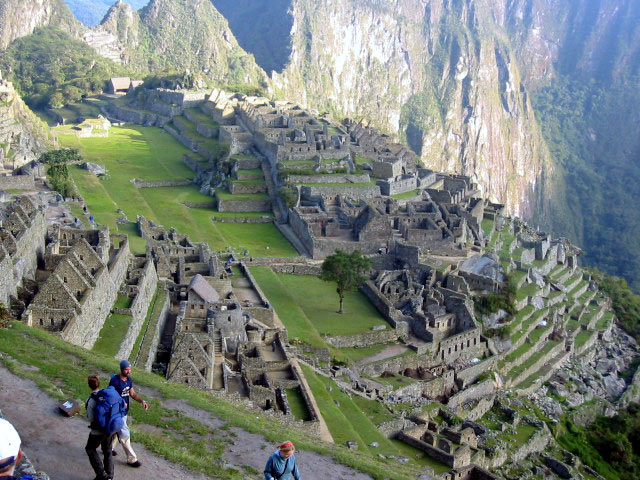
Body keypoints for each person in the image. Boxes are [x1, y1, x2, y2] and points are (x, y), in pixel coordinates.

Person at [109, 360, 149, 468]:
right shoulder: (115, 381)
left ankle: (108, 449)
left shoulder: (128, 380)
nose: (129, 371)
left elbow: (132, 394)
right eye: (127, 369)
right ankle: (132, 459)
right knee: (124, 434)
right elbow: (110, 395)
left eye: (130, 369)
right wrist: (120, 403)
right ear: (122, 369)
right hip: (117, 412)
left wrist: (142, 401)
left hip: (124, 412)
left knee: (115, 432)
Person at [85, 375, 119, 480]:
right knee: (107, 450)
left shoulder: (91, 400)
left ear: (89, 386)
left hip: (97, 431)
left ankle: (101, 474)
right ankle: (110, 475)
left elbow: (90, 418)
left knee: (90, 449)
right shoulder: (107, 395)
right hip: (110, 428)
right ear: (99, 384)